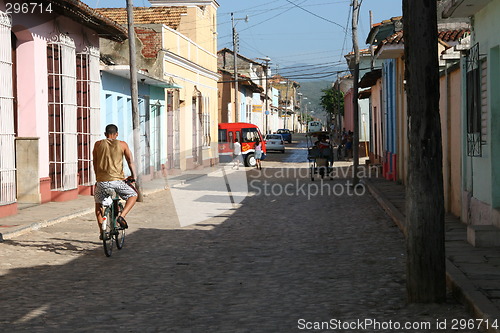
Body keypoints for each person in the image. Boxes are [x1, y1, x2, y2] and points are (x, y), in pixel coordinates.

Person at [93, 124, 138, 239]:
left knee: (98, 205)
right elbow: (130, 161)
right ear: (116, 134)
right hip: (117, 181)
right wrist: (133, 176)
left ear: (105, 134)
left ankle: (102, 232)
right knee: (133, 195)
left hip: (101, 181)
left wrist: (98, 178)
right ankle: (121, 217)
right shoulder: (123, 145)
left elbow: (95, 163)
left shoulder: (98, 144)